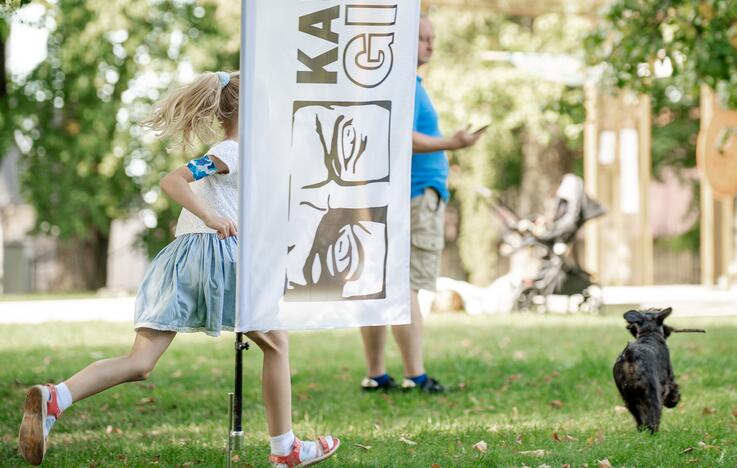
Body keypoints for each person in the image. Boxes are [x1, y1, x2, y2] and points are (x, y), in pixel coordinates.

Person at [17, 71, 339, 467]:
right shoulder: (232, 151)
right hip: (218, 256)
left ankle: (56, 397)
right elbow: (173, 181)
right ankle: (285, 448)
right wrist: (211, 217)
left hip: (182, 260)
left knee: (140, 362)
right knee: (276, 343)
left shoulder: (237, 154)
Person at [358, 15, 484, 393]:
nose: (430, 45)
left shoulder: (402, 84)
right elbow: (401, 136)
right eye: (422, 38)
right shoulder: (403, 86)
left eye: (432, 37)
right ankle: (416, 376)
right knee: (404, 285)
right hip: (414, 197)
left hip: (403, 194)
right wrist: (453, 144)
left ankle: (376, 375)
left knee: (382, 285)